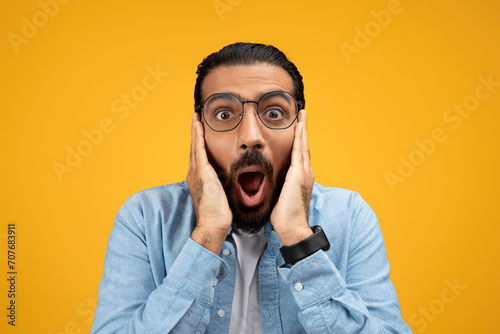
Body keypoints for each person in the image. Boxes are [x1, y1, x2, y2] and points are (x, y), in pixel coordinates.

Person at [91, 42, 412, 333]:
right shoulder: (146, 217)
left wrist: (299, 238)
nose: (251, 136)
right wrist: (207, 234)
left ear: (300, 128)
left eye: (273, 112)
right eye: (224, 113)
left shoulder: (350, 215)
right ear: (199, 131)